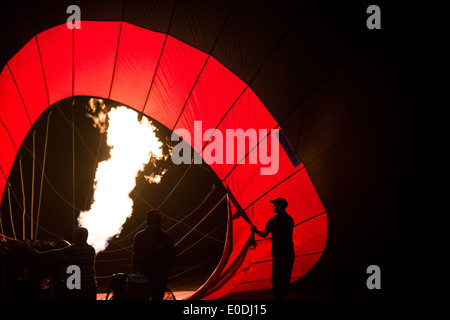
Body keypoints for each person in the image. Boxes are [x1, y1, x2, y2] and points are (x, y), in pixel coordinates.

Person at [251, 198, 294, 300]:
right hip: (289, 253)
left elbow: (264, 234)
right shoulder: (290, 220)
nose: (272, 207)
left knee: (276, 279)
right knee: (285, 279)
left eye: (274, 205)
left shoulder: (273, 221)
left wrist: (254, 230)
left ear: (279, 207)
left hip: (279, 254)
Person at [132, 210, 175, 300]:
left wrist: (134, 274)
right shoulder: (165, 237)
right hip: (152, 275)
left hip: (155, 275)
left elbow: (135, 256)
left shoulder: (140, 236)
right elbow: (172, 257)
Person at [59, 227, 97, 300]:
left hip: (75, 285)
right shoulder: (91, 249)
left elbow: (56, 253)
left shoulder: (71, 249)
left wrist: (38, 253)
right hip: (90, 284)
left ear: (77, 236)